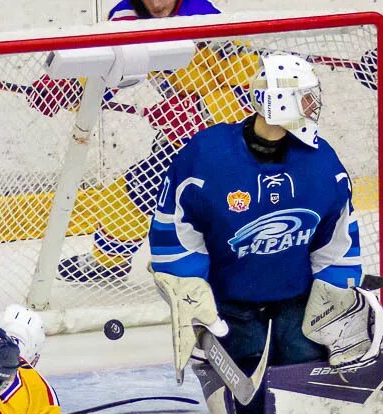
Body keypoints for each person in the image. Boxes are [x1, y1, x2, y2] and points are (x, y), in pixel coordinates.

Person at [148, 53, 383, 414]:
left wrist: (336, 293)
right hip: (229, 304)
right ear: (278, 102)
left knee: (301, 358)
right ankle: (224, 363)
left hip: (296, 297)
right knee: (249, 379)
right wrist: (189, 293)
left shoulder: (322, 164)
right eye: (305, 98)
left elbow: (337, 242)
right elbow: (175, 230)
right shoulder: (206, 157)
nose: (313, 106)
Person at [26, 0, 259, 282]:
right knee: (126, 197)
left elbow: (254, 93)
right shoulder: (126, 19)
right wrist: (68, 88)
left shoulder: (206, 21)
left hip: (237, 147)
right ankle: (108, 263)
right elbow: (109, 74)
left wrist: (200, 111)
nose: (157, 4)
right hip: (185, 146)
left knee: (227, 212)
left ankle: (238, 267)